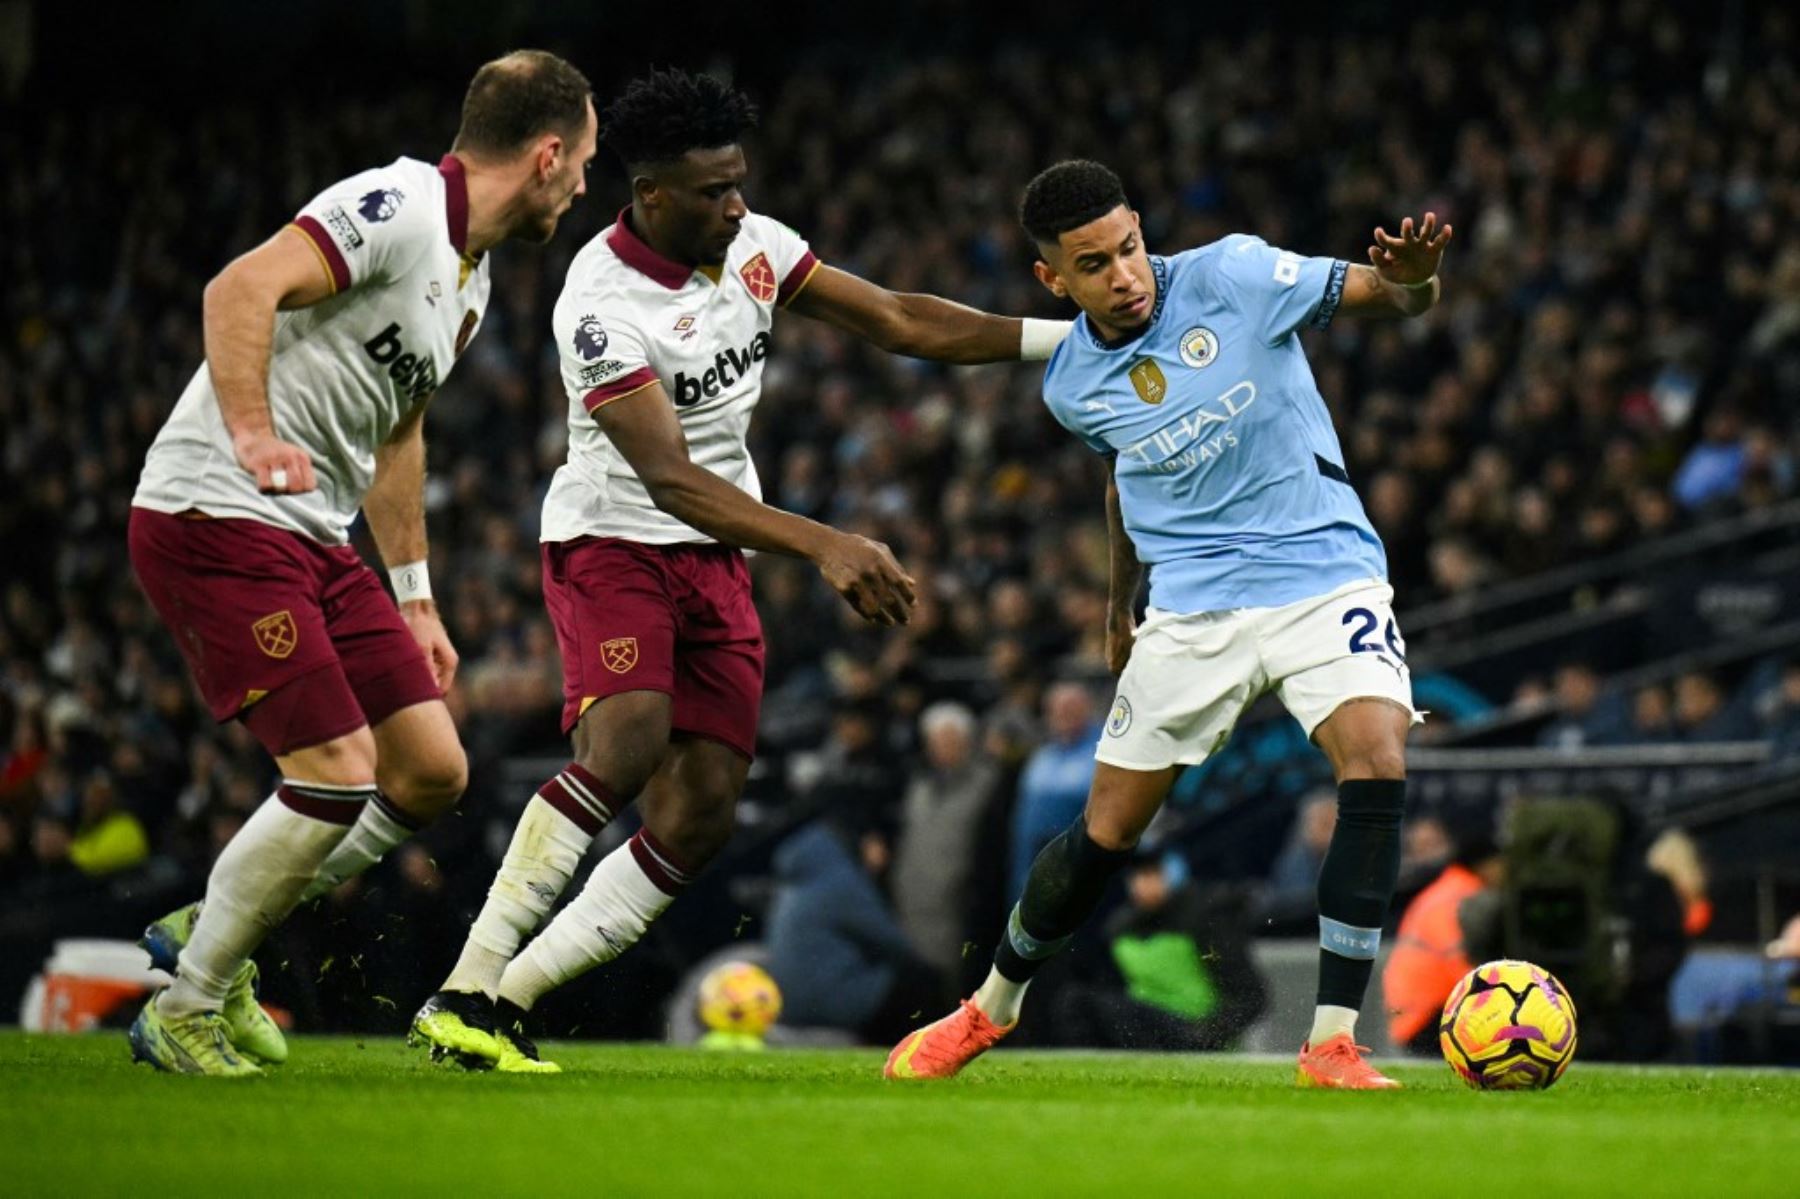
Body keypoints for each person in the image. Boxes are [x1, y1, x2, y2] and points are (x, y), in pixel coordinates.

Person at [410, 68, 1070, 1071]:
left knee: (704, 809)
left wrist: (1073, 342)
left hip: (719, 552)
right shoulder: (599, 305)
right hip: (616, 542)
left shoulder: (754, 247)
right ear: (651, 194)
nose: (735, 205)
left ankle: (502, 1000)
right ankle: (468, 975)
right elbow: (670, 480)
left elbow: (896, 316)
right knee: (625, 741)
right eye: (713, 191)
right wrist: (826, 542)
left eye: (739, 183)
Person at [888, 159, 1451, 1089]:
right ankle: (988, 1009)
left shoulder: (1234, 273)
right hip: (1192, 605)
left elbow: (1391, 296)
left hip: (1324, 568)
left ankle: (1334, 1040)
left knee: (1376, 753)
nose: (1125, 275)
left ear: (1144, 229)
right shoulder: (1071, 383)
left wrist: (1417, 274)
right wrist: (1120, 605)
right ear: (1053, 280)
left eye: (1130, 247)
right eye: (1095, 264)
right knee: (1108, 830)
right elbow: (1125, 477)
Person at [123, 50, 599, 1076]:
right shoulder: (399, 206)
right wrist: (250, 432)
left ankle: (219, 923)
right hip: (217, 508)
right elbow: (240, 287)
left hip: (314, 534)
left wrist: (417, 597)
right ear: (549, 155)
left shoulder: (468, 286)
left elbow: (398, 432)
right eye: (586, 164)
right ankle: (190, 1003)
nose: (585, 187)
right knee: (335, 773)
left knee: (431, 768)